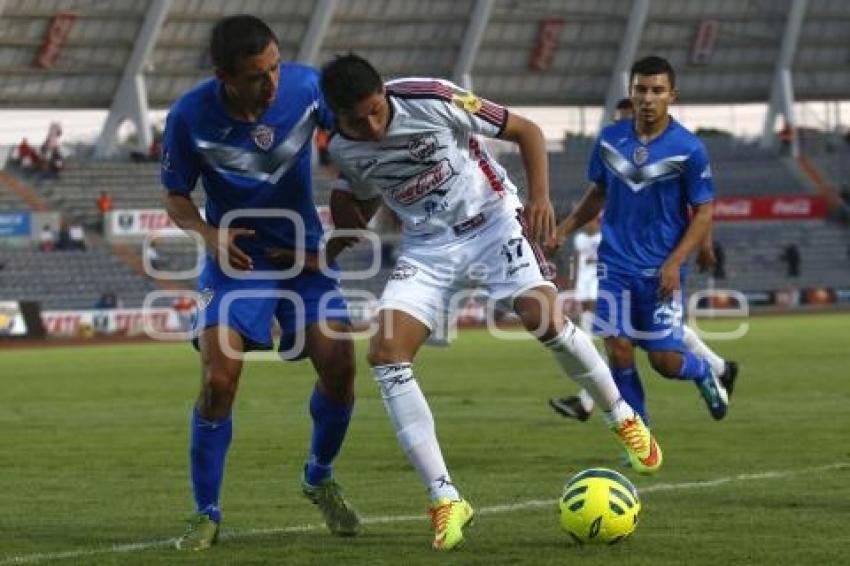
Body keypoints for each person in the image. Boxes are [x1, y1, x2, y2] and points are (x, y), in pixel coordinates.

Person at [319, 53, 661, 551]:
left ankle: (622, 416)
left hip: (493, 221)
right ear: (337, 116)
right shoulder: (344, 148)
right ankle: (445, 498)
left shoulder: (431, 97)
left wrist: (540, 198)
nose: (371, 125)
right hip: (428, 247)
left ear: (384, 94)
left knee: (542, 318)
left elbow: (526, 131)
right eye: (357, 120)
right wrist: (349, 219)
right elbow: (373, 194)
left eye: (376, 111)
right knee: (385, 356)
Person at [162, 15, 360, 551]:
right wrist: (206, 233)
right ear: (223, 75)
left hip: (303, 254)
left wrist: (351, 204)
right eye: (256, 76)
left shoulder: (305, 86)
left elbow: (360, 136)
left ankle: (318, 477)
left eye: (274, 67)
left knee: (340, 367)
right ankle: (206, 512)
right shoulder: (189, 117)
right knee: (219, 382)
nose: (271, 83)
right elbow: (175, 194)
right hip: (237, 262)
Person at [549, 56, 735, 434]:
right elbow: (599, 193)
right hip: (615, 264)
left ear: (672, 95)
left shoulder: (689, 148)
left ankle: (702, 372)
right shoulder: (609, 139)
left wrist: (675, 263)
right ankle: (640, 438)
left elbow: (702, 211)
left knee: (665, 361)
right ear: (631, 92)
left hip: (662, 266)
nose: (648, 98)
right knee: (617, 349)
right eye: (641, 90)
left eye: (657, 90)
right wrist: (563, 228)